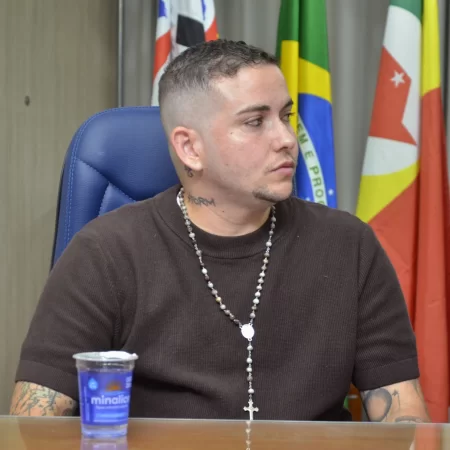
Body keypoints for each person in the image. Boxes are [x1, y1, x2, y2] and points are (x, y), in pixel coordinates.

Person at [10, 39, 429, 423]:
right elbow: (33, 426)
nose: (286, 139)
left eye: (285, 116)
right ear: (190, 148)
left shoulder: (349, 246)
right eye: (255, 122)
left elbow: (402, 416)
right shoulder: (104, 252)